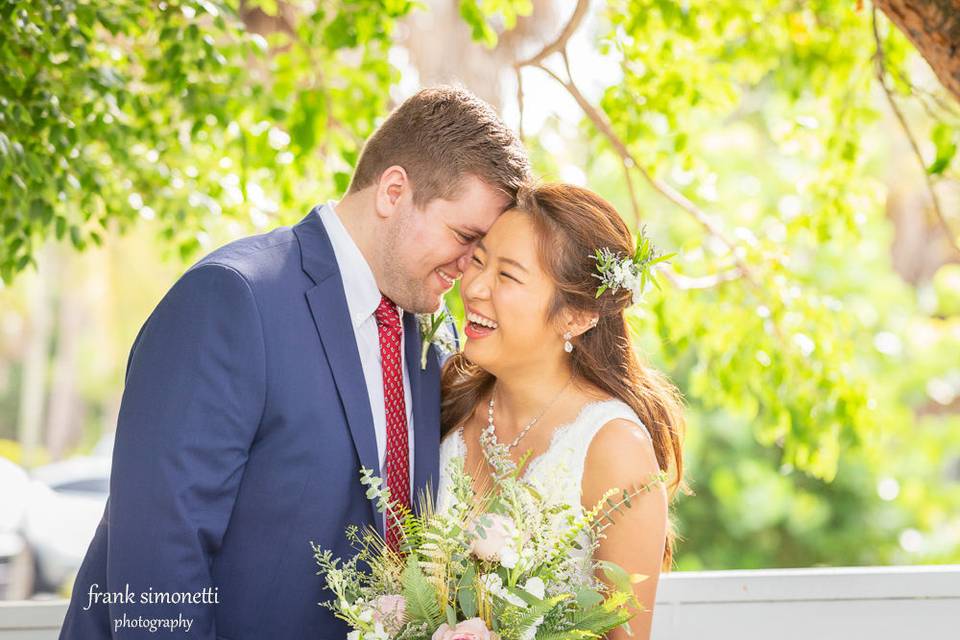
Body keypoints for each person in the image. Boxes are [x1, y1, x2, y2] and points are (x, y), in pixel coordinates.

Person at [59, 85, 530, 639]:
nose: (469, 269)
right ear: (394, 191)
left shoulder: (432, 333)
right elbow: (156, 559)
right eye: (464, 236)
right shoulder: (232, 299)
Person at [438, 183, 686, 640]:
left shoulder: (613, 449)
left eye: (508, 276)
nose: (473, 287)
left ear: (576, 315)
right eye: (478, 259)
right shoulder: (448, 397)